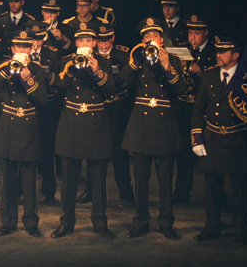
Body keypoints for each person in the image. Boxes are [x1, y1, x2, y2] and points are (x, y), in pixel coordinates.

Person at [121, 18, 186, 240]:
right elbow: (121, 80)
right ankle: (140, 221)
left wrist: (167, 66)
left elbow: (181, 89)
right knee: (140, 178)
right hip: (141, 124)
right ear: (142, 40)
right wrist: (134, 62)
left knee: (165, 179)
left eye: (155, 36)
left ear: (162, 39)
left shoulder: (174, 60)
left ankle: (166, 223)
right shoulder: (137, 60)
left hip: (164, 123)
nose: (152, 40)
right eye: (147, 37)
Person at [191, 36, 247, 244]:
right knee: (212, 186)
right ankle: (212, 226)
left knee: (240, 189)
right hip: (213, 137)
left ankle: (241, 230)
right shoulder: (209, 75)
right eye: (217, 51)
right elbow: (198, 109)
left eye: (223, 52)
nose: (218, 55)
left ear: (236, 55)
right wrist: (197, 138)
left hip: (238, 138)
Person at [51, 23, 116, 240]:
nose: (85, 45)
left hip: (96, 123)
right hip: (71, 123)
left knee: (98, 178)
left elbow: (110, 89)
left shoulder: (105, 62)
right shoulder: (65, 61)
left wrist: (96, 70)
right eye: (81, 41)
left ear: (95, 43)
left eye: (89, 41)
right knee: (69, 179)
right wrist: (70, 68)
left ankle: (99, 222)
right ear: (76, 43)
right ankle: (67, 222)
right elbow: (58, 86)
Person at [0, 30, 47, 237]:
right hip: (8, 126)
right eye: (18, 47)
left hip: (29, 126)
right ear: (12, 49)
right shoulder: (3, 68)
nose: (22, 50)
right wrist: (8, 70)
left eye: (26, 47)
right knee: (8, 181)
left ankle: (31, 222)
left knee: (30, 180)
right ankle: (8, 222)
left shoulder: (38, 70)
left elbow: (41, 99)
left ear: (31, 49)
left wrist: (28, 78)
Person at [173, 14, 217, 205]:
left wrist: (199, 70)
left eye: (196, 33)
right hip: (184, 107)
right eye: (190, 32)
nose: (192, 37)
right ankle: (182, 193)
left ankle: (216, 198)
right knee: (183, 153)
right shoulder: (182, 48)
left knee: (208, 154)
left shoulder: (214, 51)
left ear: (205, 33)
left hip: (205, 109)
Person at [93, 24, 134, 203]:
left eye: (106, 40)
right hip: (97, 106)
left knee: (119, 151)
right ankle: (91, 190)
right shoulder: (90, 55)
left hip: (117, 107)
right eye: (100, 40)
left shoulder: (123, 54)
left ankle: (125, 189)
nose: (103, 44)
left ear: (112, 39)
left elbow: (129, 79)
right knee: (93, 150)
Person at [24, 21, 62, 206]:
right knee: (25, 149)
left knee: (48, 150)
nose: (36, 42)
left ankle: (48, 191)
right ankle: (22, 192)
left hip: (48, 106)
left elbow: (59, 80)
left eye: (39, 38)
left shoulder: (52, 54)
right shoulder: (21, 55)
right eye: (33, 38)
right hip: (27, 106)